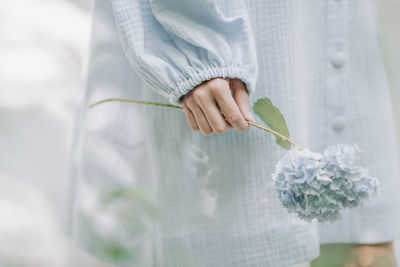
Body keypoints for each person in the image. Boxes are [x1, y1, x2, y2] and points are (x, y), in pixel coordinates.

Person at [69, 0, 400, 266]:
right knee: (243, 235)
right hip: (228, 44)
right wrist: (199, 49)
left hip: (330, 29)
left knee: (357, 244)